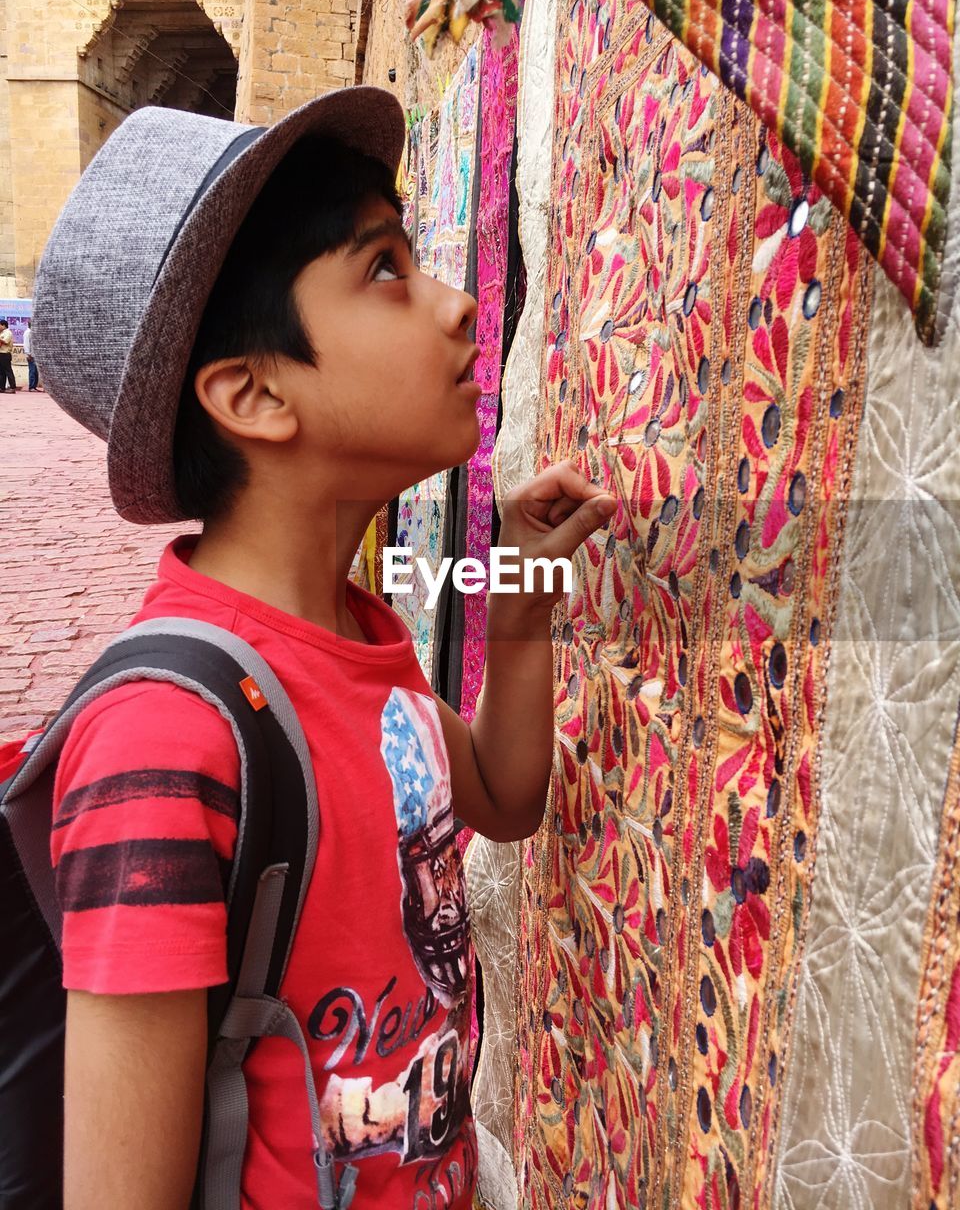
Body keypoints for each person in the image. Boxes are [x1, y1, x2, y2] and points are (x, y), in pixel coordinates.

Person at [34, 90, 616, 1210]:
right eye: (386, 268)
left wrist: (522, 591)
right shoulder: (166, 735)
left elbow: (500, 792)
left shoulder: (353, 635)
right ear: (253, 394)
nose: (454, 307)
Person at [0, 317, 15, 392]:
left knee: (8, 371)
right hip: (1, 354)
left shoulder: (8, 332)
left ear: (3, 325)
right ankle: (2, 388)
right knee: (1, 372)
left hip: (5, 354)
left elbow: (5, 341)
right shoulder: (1, 333)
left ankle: (12, 387)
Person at [23, 321, 39, 390]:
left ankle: (34, 386)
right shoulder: (27, 333)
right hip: (31, 355)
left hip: (35, 355)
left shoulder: (33, 332)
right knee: (32, 371)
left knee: (36, 372)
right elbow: (26, 344)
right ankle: (31, 386)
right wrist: (28, 354)